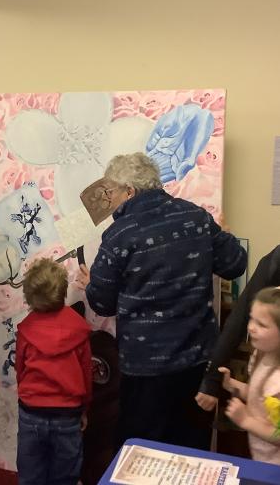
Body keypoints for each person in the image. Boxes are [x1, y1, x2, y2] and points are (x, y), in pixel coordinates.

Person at [76, 152, 247, 450]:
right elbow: (235, 264)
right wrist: (225, 236)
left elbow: (102, 304)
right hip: (197, 362)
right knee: (190, 449)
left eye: (110, 192)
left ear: (129, 191)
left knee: (141, 452)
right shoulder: (196, 217)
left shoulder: (119, 234)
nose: (109, 200)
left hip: (145, 367)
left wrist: (92, 284)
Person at [16, 258, 92, 485]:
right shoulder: (78, 328)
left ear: (30, 297)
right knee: (66, 476)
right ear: (62, 291)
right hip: (68, 414)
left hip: (31, 412)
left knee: (30, 475)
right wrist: (85, 409)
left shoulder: (26, 329)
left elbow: (20, 370)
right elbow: (86, 375)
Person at [197, 245, 280, 411]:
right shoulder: (275, 260)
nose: (253, 328)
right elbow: (240, 316)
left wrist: (246, 421)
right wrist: (215, 380)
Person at [219, 287, 280, 464]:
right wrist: (232, 384)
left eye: (262, 324)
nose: (251, 327)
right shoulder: (263, 354)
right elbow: (259, 397)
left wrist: (246, 420)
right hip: (261, 456)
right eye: (252, 318)